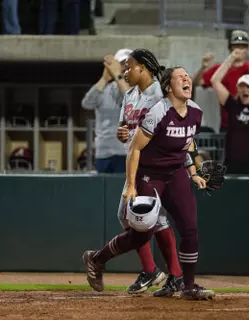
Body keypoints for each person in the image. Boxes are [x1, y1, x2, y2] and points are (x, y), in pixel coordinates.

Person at [82, 66, 215, 300]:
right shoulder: (158, 112)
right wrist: (132, 184)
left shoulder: (196, 111)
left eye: (187, 77)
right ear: (168, 87)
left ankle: (188, 286)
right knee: (142, 233)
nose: (187, 80)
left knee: (190, 228)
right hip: (150, 174)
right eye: (180, 77)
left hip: (175, 174)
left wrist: (193, 172)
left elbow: (187, 143)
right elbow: (134, 148)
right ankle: (97, 258)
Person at [87, 48, 182, 297]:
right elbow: (127, 130)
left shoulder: (160, 94)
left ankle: (104, 260)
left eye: (129, 67)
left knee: (144, 219)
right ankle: (161, 272)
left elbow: (167, 129)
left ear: (144, 68)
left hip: (155, 166)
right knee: (138, 218)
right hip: (136, 163)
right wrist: (123, 134)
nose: (126, 71)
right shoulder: (130, 94)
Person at [210, 41, 249, 174]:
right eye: (242, 86)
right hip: (233, 165)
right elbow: (215, 80)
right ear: (237, 89)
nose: (245, 89)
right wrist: (231, 58)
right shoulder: (232, 105)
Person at [194, 30, 249, 132]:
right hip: (228, 123)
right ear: (230, 48)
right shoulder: (221, 69)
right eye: (236, 46)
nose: (240, 50)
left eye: (243, 47)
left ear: (247, 49)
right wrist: (202, 67)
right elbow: (197, 82)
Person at [81, 48, 132, 173]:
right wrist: (104, 79)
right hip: (103, 153)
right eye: (121, 64)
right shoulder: (105, 89)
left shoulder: (139, 90)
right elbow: (87, 103)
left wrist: (118, 75)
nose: (124, 68)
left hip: (127, 153)